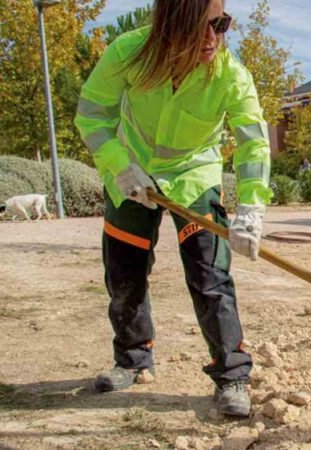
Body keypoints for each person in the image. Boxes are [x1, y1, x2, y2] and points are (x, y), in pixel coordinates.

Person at [74, 0, 271, 418]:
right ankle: (132, 359)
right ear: (167, 27)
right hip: (131, 175)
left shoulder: (230, 73)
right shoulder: (128, 53)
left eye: (220, 25)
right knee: (124, 272)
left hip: (193, 177)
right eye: (198, 28)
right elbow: (92, 114)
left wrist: (252, 207)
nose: (211, 38)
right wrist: (119, 166)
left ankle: (232, 374)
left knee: (209, 273)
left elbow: (253, 141)